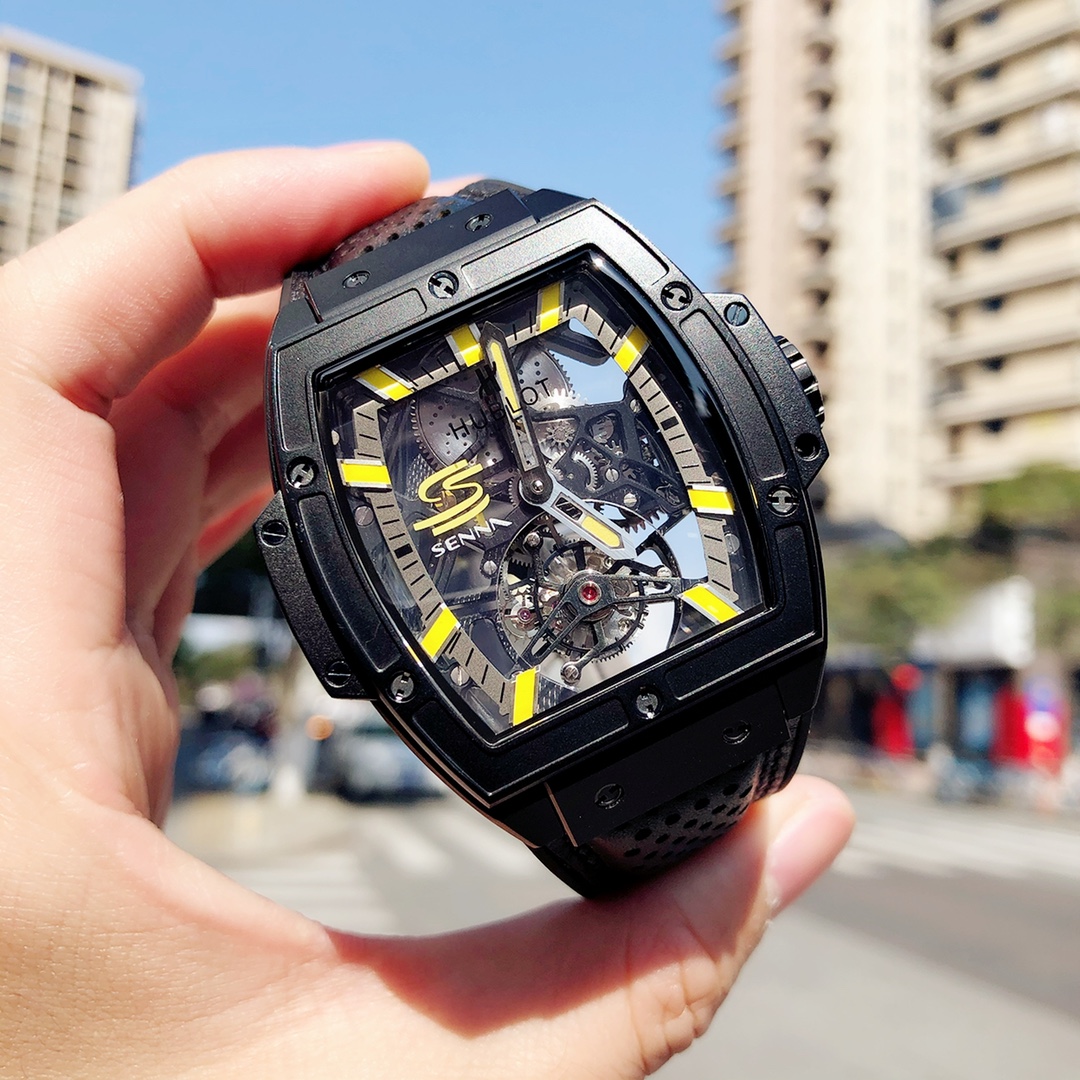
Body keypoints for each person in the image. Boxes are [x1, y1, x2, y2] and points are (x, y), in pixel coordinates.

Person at [0, 142, 854, 1077]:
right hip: (637, 708)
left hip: (677, 683)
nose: (530, 497)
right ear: (326, 613)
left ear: (762, 383)